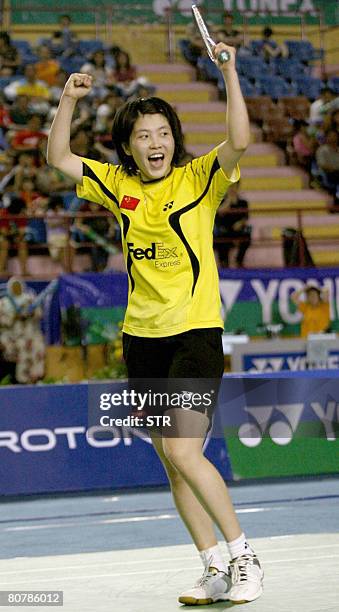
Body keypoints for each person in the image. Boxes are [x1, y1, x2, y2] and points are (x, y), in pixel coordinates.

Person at [47, 39, 264, 605]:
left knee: (186, 451)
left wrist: (230, 71)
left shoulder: (199, 180)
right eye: (143, 135)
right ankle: (212, 566)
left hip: (194, 331)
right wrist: (67, 99)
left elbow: (240, 139)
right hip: (141, 338)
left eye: (163, 133)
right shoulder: (118, 187)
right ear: (128, 146)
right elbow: (59, 159)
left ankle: (245, 558)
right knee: (170, 460)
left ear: (174, 140)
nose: (155, 142)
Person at [214, 181, 251, 268]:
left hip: (237, 231)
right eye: (230, 187)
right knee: (221, 240)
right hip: (224, 231)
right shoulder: (220, 201)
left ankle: (239, 261)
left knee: (246, 237)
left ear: (238, 187)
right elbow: (220, 213)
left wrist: (240, 223)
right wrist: (229, 200)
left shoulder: (243, 202)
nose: (232, 189)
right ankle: (224, 263)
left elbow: (245, 217)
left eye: (234, 187)